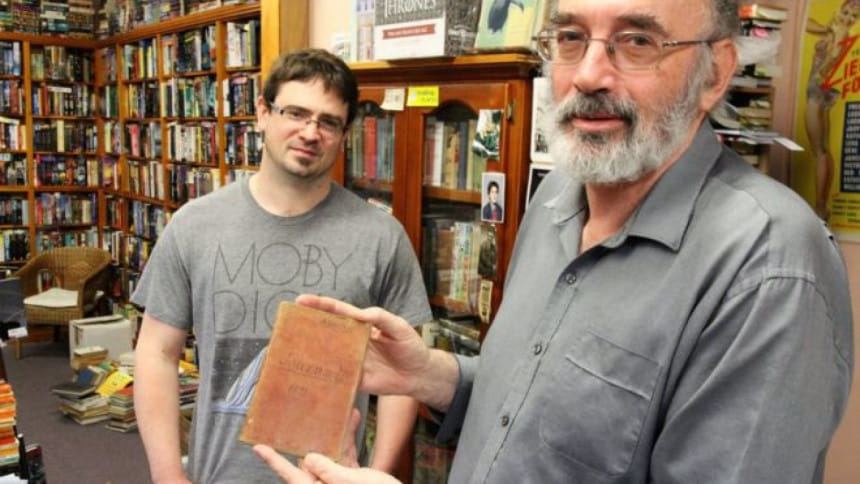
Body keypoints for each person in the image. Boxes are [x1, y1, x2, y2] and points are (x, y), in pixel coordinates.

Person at [256, 1, 855, 483]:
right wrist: (434, 375)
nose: (588, 75)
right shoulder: (555, 200)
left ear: (715, 72)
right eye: (570, 37)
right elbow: (537, 404)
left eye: (637, 41)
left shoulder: (769, 265)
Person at [132, 48, 432, 483]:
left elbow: (403, 377)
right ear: (262, 113)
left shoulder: (382, 238)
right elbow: (157, 353)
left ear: (344, 134)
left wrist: (376, 474)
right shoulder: (194, 225)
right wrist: (167, 478)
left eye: (328, 122)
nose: (310, 132)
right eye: (296, 113)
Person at [804, 0, 860, 219]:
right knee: (824, 150)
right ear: (839, 10)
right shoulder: (835, 31)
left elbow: (829, 65)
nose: (847, 18)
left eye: (853, 16)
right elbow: (806, 24)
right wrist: (828, 28)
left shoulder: (841, 34)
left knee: (819, 152)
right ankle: (822, 205)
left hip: (817, 96)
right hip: (823, 96)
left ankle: (819, 206)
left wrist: (824, 64)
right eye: (845, 12)